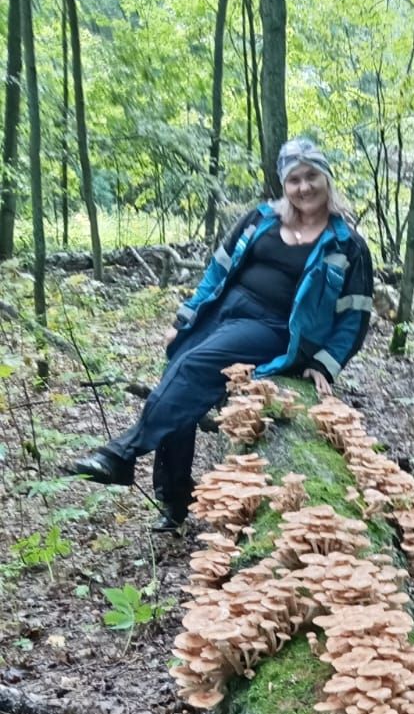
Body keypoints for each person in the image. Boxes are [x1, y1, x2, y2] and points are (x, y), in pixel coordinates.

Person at [68, 138, 374, 531]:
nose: (304, 187)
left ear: (327, 178)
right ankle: (175, 500)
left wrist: (324, 364)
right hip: (225, 310)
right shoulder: (259, 219)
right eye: (294, 179)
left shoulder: (347, 245)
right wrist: (186, 317)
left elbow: (355, 317)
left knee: (194, 367)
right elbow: (217, 271)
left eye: (311, 176)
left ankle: (122, 453)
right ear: (284, 184)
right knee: (177, 383)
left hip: (277, 327)